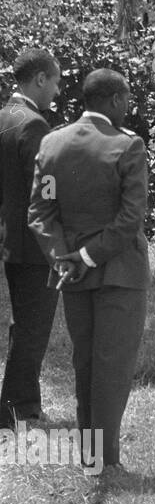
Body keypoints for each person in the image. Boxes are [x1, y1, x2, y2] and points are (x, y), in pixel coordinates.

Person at [27, 69, 149, 475]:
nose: (129, 105)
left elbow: (41, 212)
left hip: (71, 276)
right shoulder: (127, 146)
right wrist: (88, 255)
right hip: (118, 271)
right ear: (115, 101)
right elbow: (131, 218)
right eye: (127, 98)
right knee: (112, 364)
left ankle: (89, 454)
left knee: (85, 362)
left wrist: (64, 257)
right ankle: (105, 459)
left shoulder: (51, 144)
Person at [0, 48, 62, 428]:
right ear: (39, 79)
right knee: (34, 328)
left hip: (11, 239)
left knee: (23, 324)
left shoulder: (6, 116)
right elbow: (47, 190)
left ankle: (17, 402)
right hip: (35, 243)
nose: (56, 89)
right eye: (54, 81)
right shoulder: (34, 126)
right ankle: (19, 408)